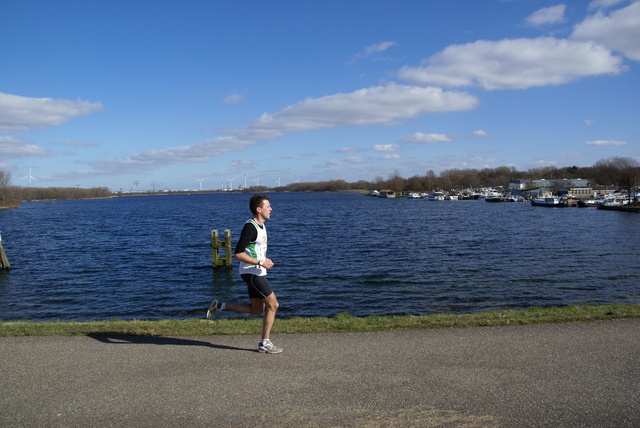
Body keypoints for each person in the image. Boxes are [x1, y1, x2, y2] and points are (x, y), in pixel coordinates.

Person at [206, 194, 282, 354]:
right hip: (252, 273)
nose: (271, 209)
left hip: (255, 271)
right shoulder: (250, 227)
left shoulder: (261, 225)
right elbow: (238, 254)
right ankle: (264, 343)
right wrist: (260, 262)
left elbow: (254, 251)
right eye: (268, 206)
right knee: (273, 305)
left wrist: (263, 259)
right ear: (258, 209)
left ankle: (220, 305)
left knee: (256, 310)